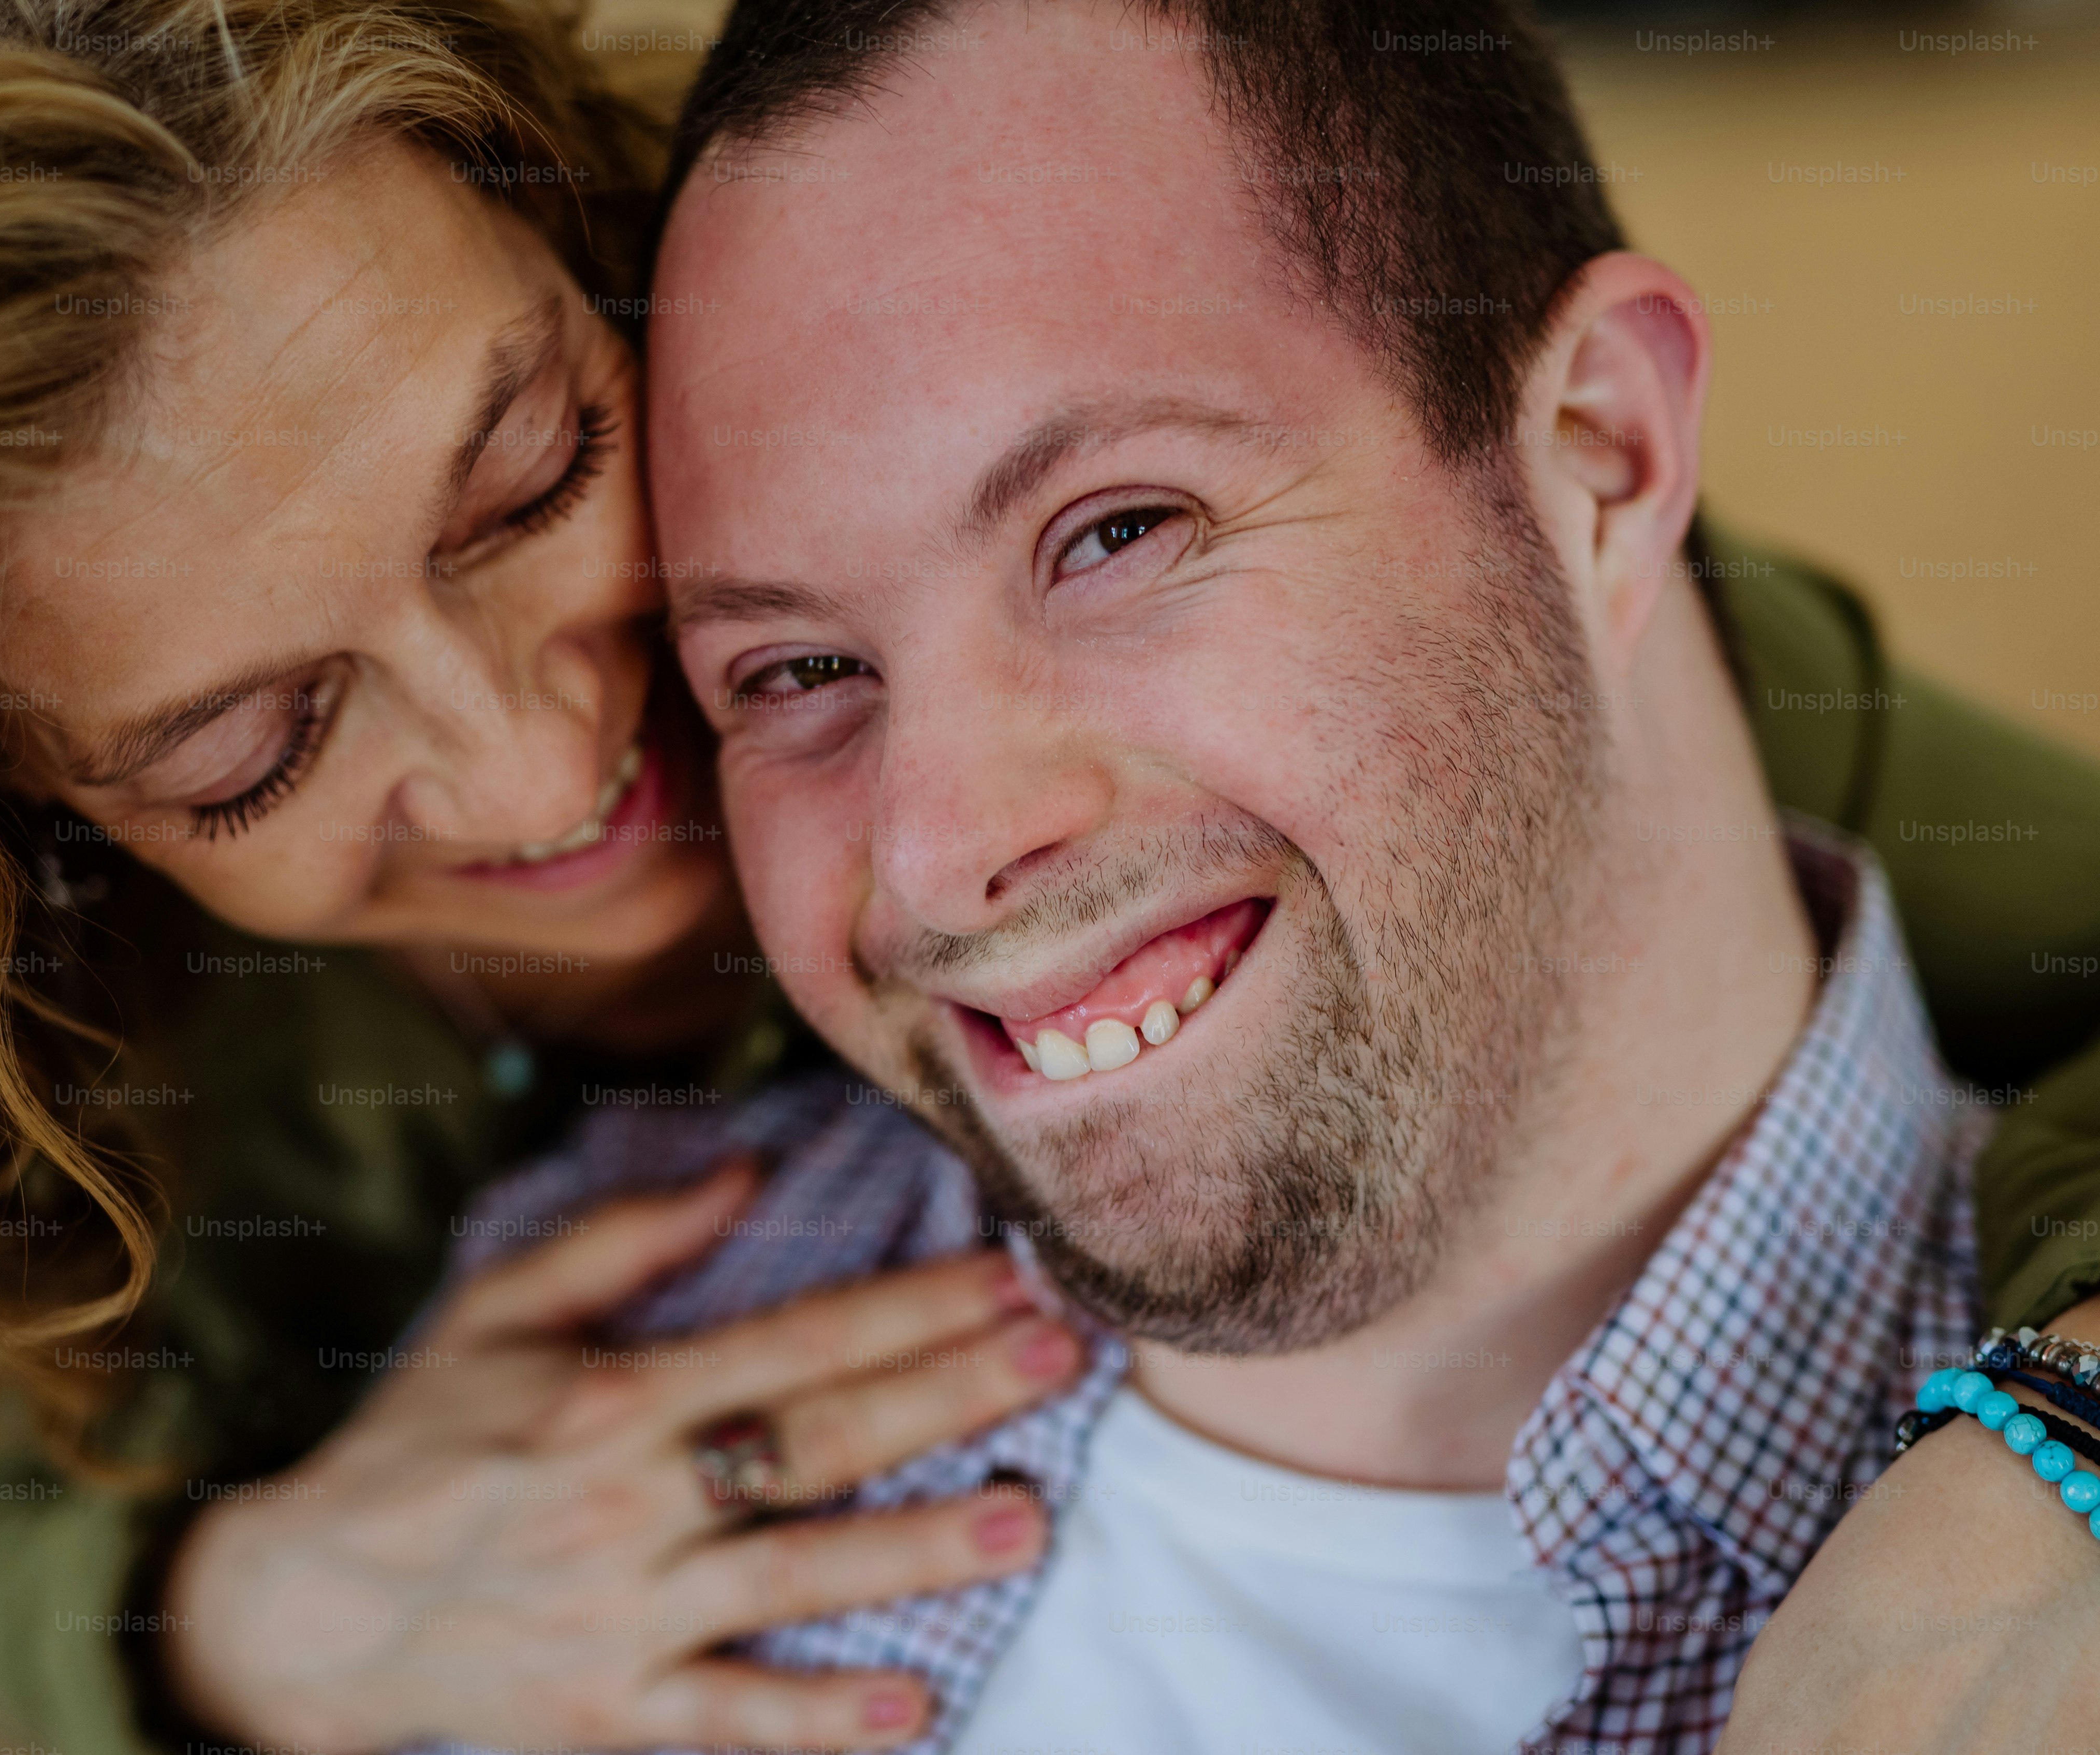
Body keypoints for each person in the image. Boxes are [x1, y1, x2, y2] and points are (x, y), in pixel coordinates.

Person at [0, 0, 2096, 1751]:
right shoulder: (137, 1068)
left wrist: (2040, 1455)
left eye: (529, 482)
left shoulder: (1601, 657)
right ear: (23, 827)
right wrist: (249, 1617)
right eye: (252, 742)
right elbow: (8, 1486)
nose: (537, 762)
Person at [373, 0, 2100, 1749]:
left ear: (1600, 448)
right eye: (795, 673)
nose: (939, 852)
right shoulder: (527, 1438)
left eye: (1120, 533)